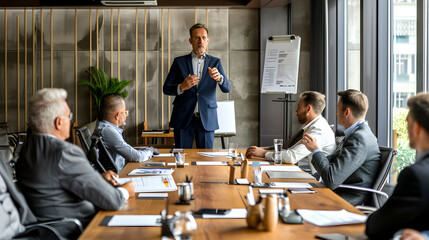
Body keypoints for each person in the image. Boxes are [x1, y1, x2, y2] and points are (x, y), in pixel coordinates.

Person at [16, 88, 134, 226]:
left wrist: (97, 179)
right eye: (69, 117)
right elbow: (114, 201)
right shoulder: (64, 152)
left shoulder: (26, 150)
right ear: (59, 122)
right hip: (81, 227)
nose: (70, 121)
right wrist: (125, 190)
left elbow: (53, 186)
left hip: (46, 227)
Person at [365, 93, 429, 240]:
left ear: (417, 128)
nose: (406, 130)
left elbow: (376, 227)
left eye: (408, 122)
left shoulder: (415, 175)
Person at [301, 89, 381, 205]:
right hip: (341, 190)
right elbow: (332, 165)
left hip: (347, 197)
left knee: (294, 201)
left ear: (347, 112)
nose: (336, 112)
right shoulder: (358, 134)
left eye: (338, 108)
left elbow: (331, 180)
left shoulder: (359, 138)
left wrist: (316, 150)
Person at [163, 23, 231, 149]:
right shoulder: (179, 62)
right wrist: (181, 87)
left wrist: (219, 78)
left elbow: (227, 88)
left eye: (204, 37)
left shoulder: (216, 62)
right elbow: (166, 88)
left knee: (206, 159)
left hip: (206, 118)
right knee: (181, 158)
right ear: (190, 40)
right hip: (183, 117)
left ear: (208, 41)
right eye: (197, 38)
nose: (201, 41)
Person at [245, 91, 335, 172]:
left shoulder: (318, 130)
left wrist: (263, 153)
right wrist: (262, 149)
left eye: (299, 107)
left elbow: (291, 156)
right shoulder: (310, 125)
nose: (296, 112)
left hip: (310, 177)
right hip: (299, 169)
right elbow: (288, 146)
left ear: (308, 109)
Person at [93, 93, 156, 172]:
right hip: (117, 177)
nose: (126, 115)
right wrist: (150, 151)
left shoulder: (105, 127)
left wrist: (144, 150)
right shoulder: (108, 131)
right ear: (118, 115)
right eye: (125, 112)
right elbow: (136, 157)